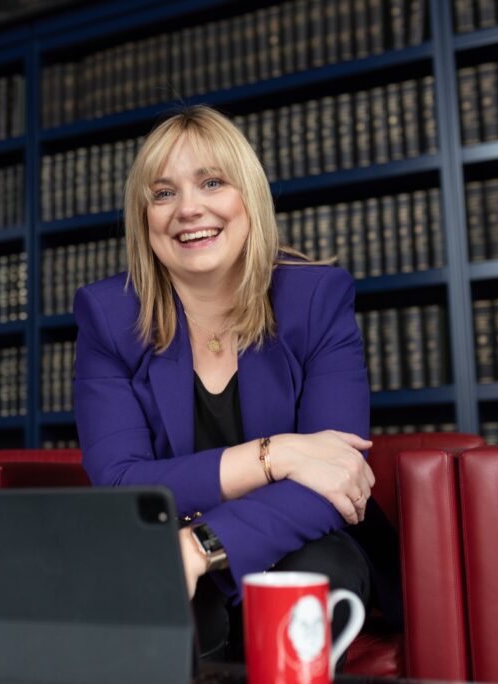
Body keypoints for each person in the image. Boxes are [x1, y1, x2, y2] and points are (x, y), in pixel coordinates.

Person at [72, 105, 380, 662]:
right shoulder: (108, 316)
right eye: (162, 194)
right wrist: (276, 454)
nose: (189, 209)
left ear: (249, 199)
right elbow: (120, 485)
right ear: (143, 218)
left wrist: (199, 546)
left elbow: (336, 476)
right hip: (160, 552)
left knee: (318, 572)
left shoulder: (317, 299)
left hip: (297, 541)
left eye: (212, 182)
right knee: (155, 597)